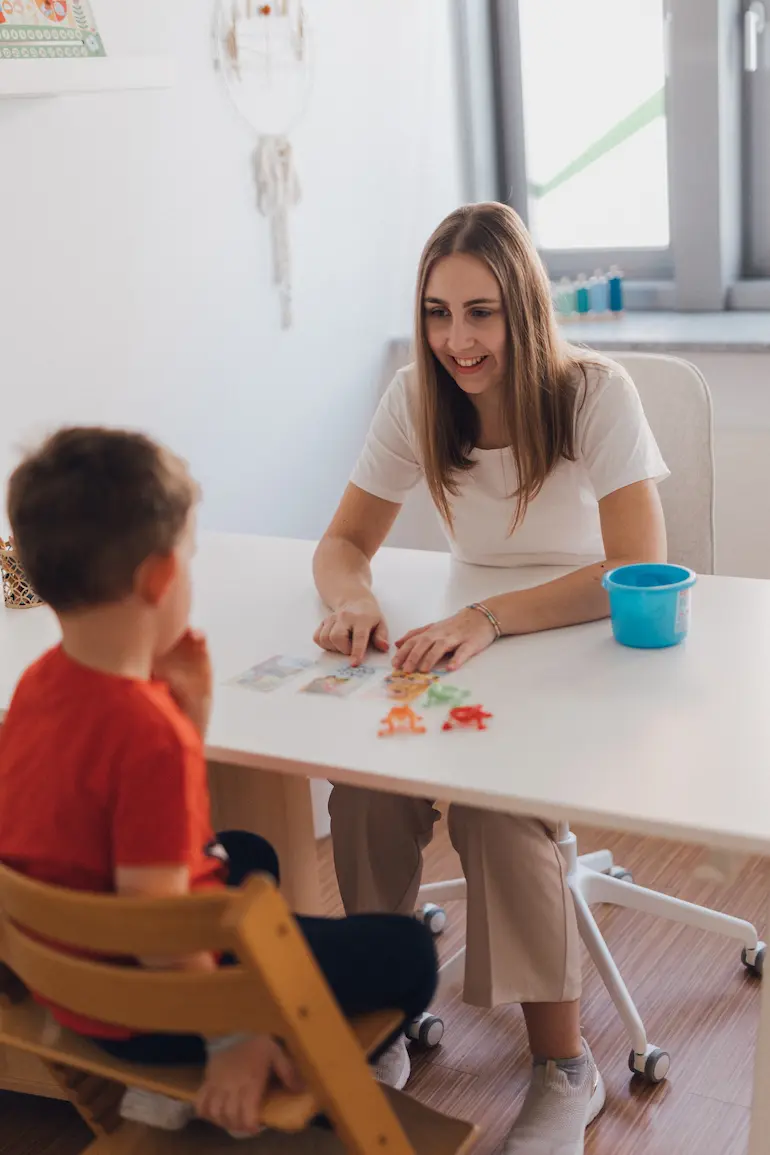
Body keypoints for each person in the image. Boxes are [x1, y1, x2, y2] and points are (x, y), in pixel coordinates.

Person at [313, 202, 668, 1155]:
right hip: (469, 643)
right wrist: (350, 597)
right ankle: (378, 1019)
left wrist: (487, 617)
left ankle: (565, 1066)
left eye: (481, 313)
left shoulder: (596, 392)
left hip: (576, 638)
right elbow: (345, 541)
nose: (457, 340)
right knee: (366, 791)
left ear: (524, 308)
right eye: (437, 312)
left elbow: (634, 565)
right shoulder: (416, 399)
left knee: (498, 811)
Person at [0, 427, 437, 1139]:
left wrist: (189, 724)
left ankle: (225, 1047)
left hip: (64, 974)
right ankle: (259, 1067)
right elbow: (158, 924)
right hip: (144, 1009)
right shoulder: (148, 736)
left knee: (246, 849)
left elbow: (131, 834)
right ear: (161, 579)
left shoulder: (39, 686)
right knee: (409, 952)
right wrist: (231, 1036)